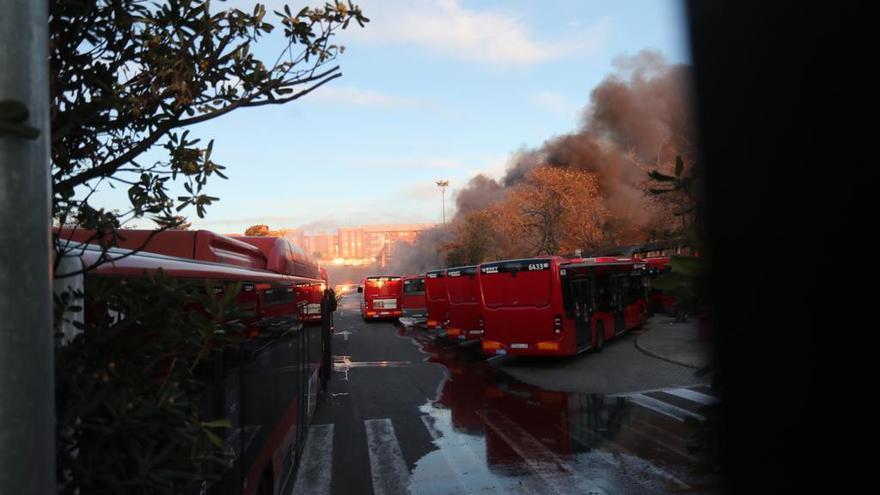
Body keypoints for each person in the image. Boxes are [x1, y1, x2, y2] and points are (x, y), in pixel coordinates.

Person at [319, 287, 337, 391]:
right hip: (325, 336)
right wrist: (332, 296)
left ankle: (324, 380)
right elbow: (334, 307)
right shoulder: (327, 301)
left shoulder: (323, 301)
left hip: (324, 335)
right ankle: (325, 379)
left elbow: (333, 307)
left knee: (325, 355)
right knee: (326, 356)